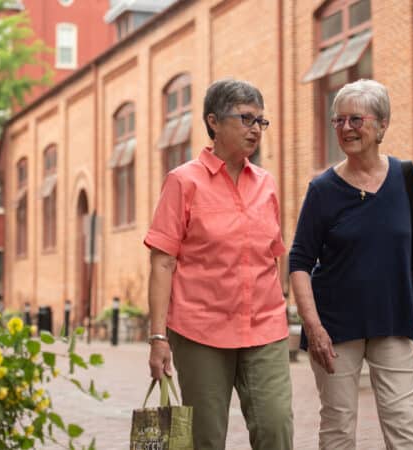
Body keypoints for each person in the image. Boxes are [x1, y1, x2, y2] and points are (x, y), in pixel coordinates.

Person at [288, 78, 413, 450]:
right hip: (335, 326)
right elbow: (298, 261)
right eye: (338, 121)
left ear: (381, 126)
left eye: (356, 120)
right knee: (338, 427)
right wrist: (313, 328)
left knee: (403, 423)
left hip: (394, 317)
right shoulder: (322, 189)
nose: (346, 129)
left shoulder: (405, 176)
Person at [144, 78, 294, 450]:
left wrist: (281, 301)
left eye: (261, 121)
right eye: (246, 119)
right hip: (201, 331)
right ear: (213, 121)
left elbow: (275, 253)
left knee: (276, 426)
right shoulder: (182, 182)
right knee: (205, 439)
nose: (256, 129)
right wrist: (158, 337)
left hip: (264, 327)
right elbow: (162, 263)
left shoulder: (267, 184)